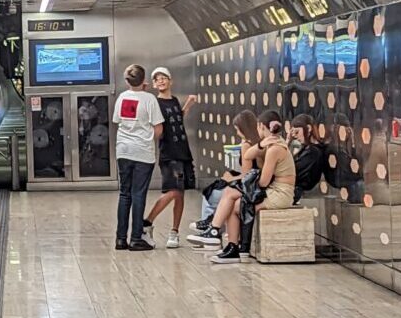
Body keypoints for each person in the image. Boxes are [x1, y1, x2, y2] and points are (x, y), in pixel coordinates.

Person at [188, 110, 295, 263]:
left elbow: (263, 182)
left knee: (232, 195)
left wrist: (244, 188)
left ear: (261, 126)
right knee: (234, 203)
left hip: (280, 194)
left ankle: (215, 231)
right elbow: (247, 155)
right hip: (276, 191)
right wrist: (260, 144)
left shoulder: (274, 149)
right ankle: (232, 246)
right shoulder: (271, 144)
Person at [141, 67, 198, 248]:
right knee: (173, 190)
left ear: (170, 81)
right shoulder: (155, 103)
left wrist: (188, 104)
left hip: (183, 151)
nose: (161, 81)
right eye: (157, 79)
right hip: (169, 153)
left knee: (180, 193)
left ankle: (174, 232)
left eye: (164, 78)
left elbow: (177, 119)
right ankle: (147, 222)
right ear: (155, 84)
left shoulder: (173, 100)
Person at [113, 64, 163, 252]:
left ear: (127, 81)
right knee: (138, 194)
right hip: (143, 152)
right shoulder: (150, 99)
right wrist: (147, 139)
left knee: (124, 194)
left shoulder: (122, 98)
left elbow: (117, 121)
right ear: (144, 80)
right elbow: (158, 128)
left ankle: (120, 239)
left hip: (123, 150)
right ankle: (136, 238)